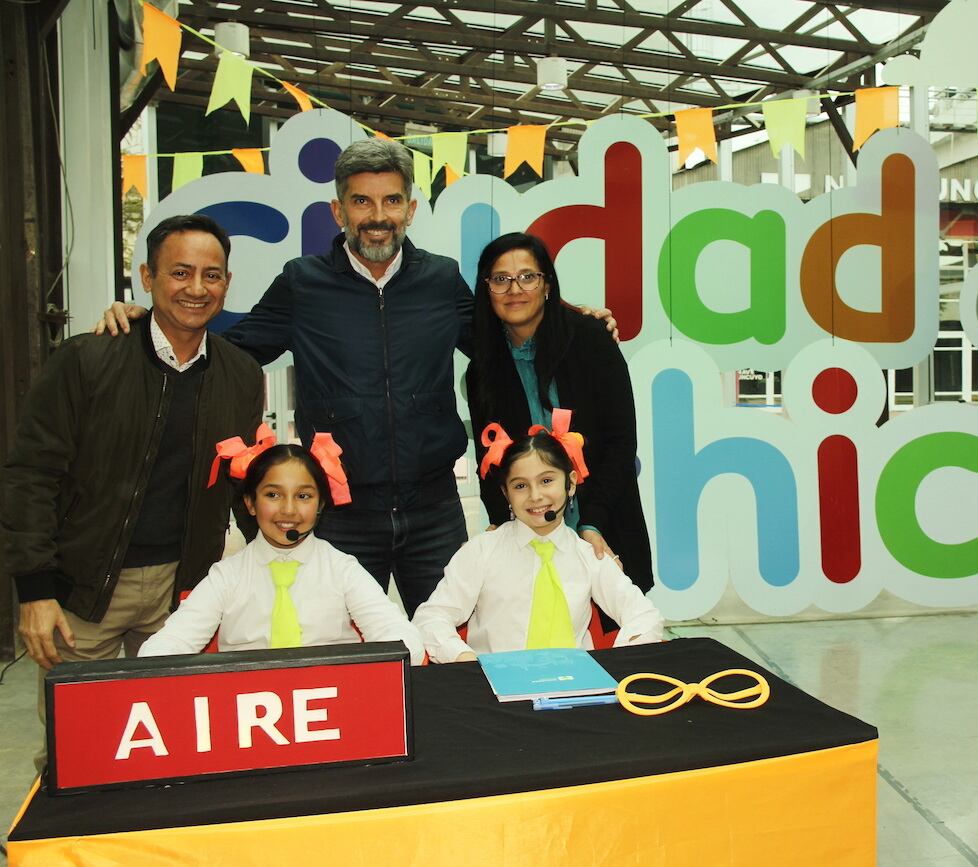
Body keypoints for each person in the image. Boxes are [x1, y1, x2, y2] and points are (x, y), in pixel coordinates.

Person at [100, 141, 618, 617]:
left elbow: (502, 333)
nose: (377, 217)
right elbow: (234, 349)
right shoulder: (303, 283)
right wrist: (150, 322)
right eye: (362, 202)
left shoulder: (440, 280)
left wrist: (573, 318)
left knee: (450, 645)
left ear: (410, 210)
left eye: (391, 201)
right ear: (339, 210)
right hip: (342, 514)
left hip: (434, 509)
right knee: (342, 650)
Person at [2, 214, 264, 673]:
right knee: (79, 739)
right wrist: (36, 589)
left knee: (176, 735)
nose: (196, 288)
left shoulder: (241, 374)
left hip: (184, 589)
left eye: (212, 275)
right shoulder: (87, 359)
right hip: (83, 587)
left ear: (227, 283)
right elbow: (31, 475)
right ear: (147, 277)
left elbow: (240, 478)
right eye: (180, 272)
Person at [468, 232, 653, 596]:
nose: (514, 289)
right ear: (486, 291)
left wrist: (593, 522)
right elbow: (488, 464)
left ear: (547, 285)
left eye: (527, 276)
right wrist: (501, 524)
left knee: (614, 641)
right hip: (529, 539)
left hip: (603, 524)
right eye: (500, 280)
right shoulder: (482, 372)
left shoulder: (591, 339)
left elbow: (620, 441)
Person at [140, 440, 423, 663]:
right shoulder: (225, 576)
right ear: (250, 503)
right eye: (273, 495)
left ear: (321, 504)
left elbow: (401, 637)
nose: (288, 510)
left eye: (303, 496)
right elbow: (169, 644)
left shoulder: (342, 569)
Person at [413, 422, 663, 663]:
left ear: (571, 483)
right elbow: (431, 617)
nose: (535, 496)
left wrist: (618, 660)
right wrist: (464, 659)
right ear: (505, 493)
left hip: (577, 690)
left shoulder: (588, 555)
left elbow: (644, 615)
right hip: (493, 689)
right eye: (520, 486)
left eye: (546, 481)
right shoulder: (481, 550)